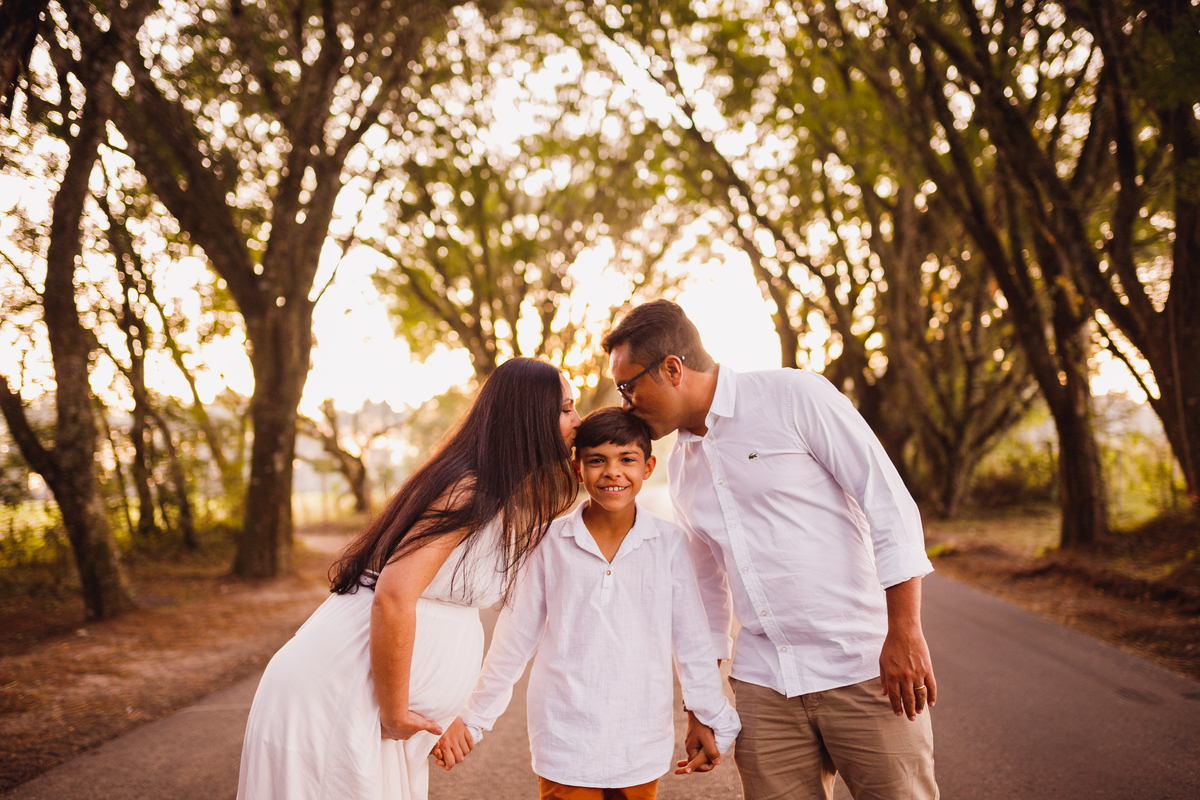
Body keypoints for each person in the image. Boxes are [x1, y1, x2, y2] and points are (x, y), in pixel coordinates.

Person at [601, 300, 939, 800]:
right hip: (765, 687)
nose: (626, 403)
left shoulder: (793, 396)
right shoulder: (683, 468)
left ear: (672, 369)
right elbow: (706, 591)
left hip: (863, 668)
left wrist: (905, 630)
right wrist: (702, 703)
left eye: (629, 386)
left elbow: (888, 503)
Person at [236, 357, 582, 800]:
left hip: (374, 711)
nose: (577, 420)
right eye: (566, 409)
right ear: (530, 417)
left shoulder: (503, 495)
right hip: (340, 699)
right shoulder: (470, 488)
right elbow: (394, 596)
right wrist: (396, 711)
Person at [432, 407, 741, 800]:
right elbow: (513, 641)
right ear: (579, 470)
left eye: (626, 459)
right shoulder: (545, 542)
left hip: (640, 743)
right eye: (597, 461)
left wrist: (713, 715)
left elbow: (693, 642)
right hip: (565, 743)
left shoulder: (669, 543)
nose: (613, 472)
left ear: (648, 467)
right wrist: (473, 720)